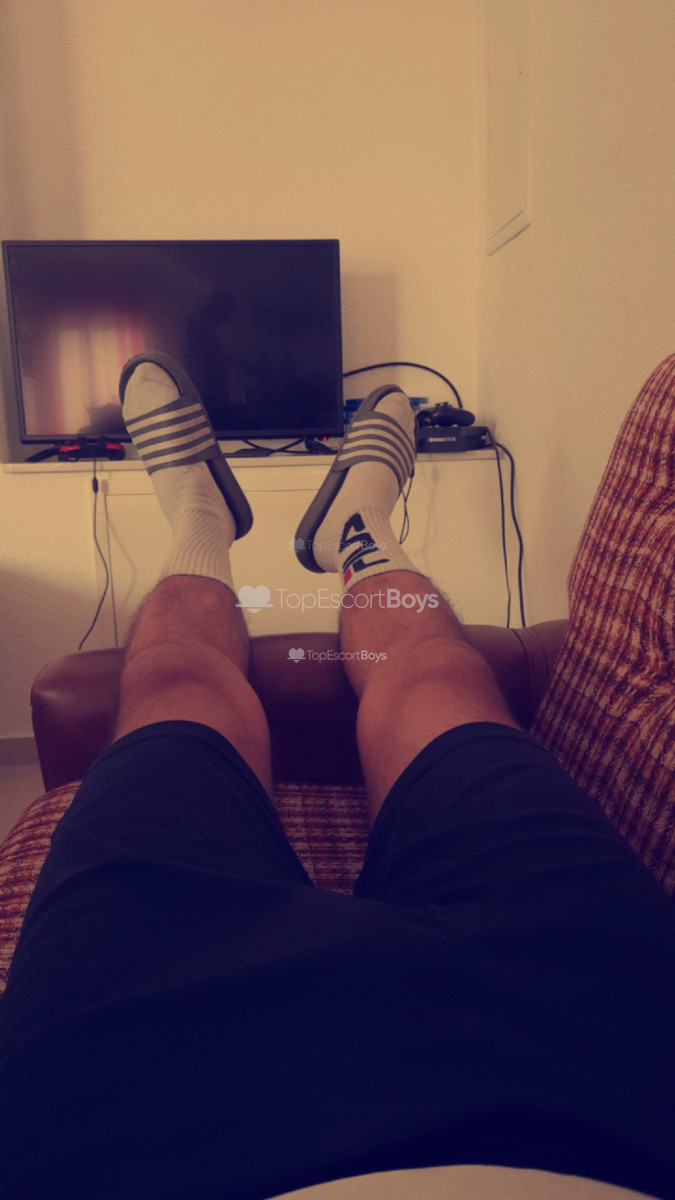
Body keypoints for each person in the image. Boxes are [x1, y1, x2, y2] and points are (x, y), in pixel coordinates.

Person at [0, 352, 674, 1200]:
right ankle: (359, 525)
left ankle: (201, 517)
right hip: (597, 1071)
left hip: (129, 1097)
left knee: (171, 684)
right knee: (435, 675)